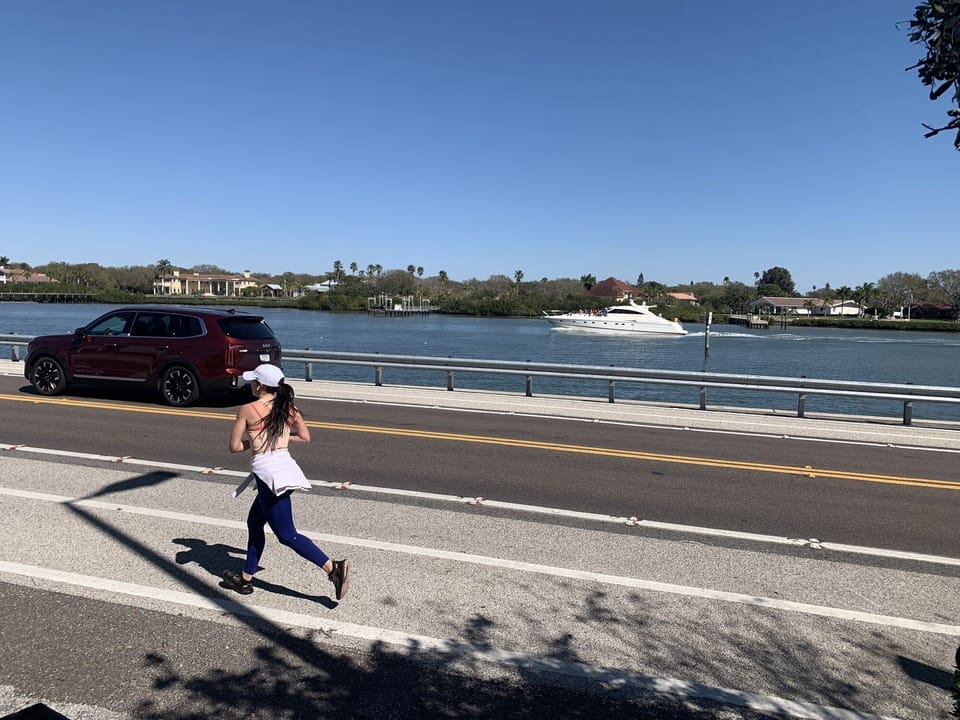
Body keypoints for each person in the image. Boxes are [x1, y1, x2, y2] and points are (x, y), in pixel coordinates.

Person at [221, 363, 349, 600]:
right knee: (254, 523)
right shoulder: (289, 408)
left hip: (269, 477)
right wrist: (279, 437)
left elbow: (234, 447)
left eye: (253, 381)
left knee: (287, 535)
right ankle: (245, 578)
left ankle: (333, 568)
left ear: (260, 385)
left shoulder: (247, 409)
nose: (251, 384)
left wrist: (256, 442)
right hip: (285, 470)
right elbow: (305, 436)